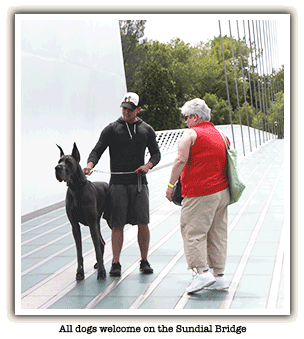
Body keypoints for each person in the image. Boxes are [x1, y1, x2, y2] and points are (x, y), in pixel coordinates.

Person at [83, 92, 161, 277]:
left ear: (138, 109)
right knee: (117, 224)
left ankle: (144, 260)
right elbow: (97, 150)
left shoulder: (146, 130)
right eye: (124, 108)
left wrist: (148, 165)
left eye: (130, 109)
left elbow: (156, 154)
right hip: (117, 184)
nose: (126, 112)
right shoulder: (111, 129)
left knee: (143, 222)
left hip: (139, 183)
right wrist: (89, 165)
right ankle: (116, 262)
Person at [165, 98, 230, 294]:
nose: (185, 122)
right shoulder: (222, 135)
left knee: (193, 232)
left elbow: (180, 160)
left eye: (186, 117)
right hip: (222, 192)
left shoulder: (191, 134)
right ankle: (219, 276)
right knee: (217, 233)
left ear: (195, 117)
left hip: (200, 193)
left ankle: (201, 273)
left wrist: (170, 185)